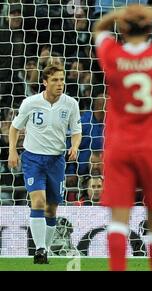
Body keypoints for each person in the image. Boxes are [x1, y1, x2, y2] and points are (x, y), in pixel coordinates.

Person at [93, 4, 152, 271]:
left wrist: (118, 13)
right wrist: (150, 11)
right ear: (150, 27)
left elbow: (98, 28)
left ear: (122, 28)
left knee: (119, 219)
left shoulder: (112, 55)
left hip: (121, 145)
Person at [8, 64, 82, 264]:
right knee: (38, 202)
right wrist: (12, 150)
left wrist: (74, 146)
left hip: (56, 160)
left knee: (51, 208)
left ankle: (45, 249)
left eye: (61, 79)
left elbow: (76, 130)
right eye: (55, 80)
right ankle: (40, 248)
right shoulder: (30, 103)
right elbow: (14, 128)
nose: (60, 84)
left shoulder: (71, 104)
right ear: (45, 82)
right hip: (33, 159)